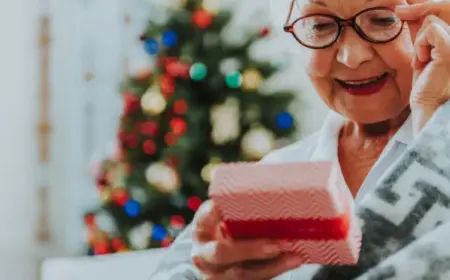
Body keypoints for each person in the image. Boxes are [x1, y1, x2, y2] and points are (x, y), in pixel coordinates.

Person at [151, 0, 450, 279]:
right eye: (320, 26)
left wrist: (433, 120)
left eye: (384, 20)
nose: (352, 56)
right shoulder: (273, 176)